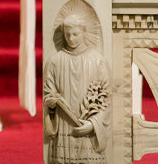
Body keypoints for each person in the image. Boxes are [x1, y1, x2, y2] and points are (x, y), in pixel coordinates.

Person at [43, 11, 111, 163]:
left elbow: (107, 98)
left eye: (75, 34)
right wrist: (52, 104)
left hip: (87, 128)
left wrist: (94, 124)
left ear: (84, 32)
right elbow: (48, 94)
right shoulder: (54, 62)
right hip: (63, 129)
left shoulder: (97, 61)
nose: (71, 39)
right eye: (67, 34)